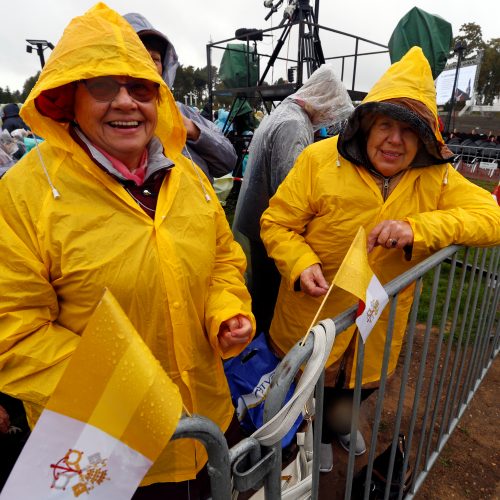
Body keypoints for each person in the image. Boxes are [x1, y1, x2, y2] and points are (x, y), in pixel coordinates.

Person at [0, 4, 255, 499]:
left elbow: (223, 257)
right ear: (69, 97)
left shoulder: (186, 174)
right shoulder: (26, 192)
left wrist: (227, 309)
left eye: (140, 88)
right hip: (106, 447)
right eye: (101, 86)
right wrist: (136, 392)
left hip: (204, 425)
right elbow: (14, 331)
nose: (124, 103)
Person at [260, 47, 500, 472]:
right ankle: (298, 445)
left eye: (410, 130)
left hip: (378, 326)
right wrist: (299, 263)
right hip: (310, 315)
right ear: (365, 125)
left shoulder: (437, 177)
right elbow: (276, 223)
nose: (394, 140)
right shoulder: (319, 160)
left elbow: (491, 217)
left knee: (353, 392)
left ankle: (335, 428)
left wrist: (418, 229)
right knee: (300, 389)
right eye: (385, 125)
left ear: (426, 136)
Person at [232, 65, 353, 335]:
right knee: (268, 300)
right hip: (269, 227)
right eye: (331, 108)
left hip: (255, 219)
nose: (329, 116)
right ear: (323, 98)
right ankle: (265, 358)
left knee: (258, 291)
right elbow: (292, 186)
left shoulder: (283, 113)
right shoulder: (294, 124)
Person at [124, 12, 237, 184]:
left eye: (154, 59)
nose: (147, 65)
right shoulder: (114, 120)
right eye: (138, 57)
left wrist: (193, 131)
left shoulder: (183, 112)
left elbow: (227, 162)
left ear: (164, 67)